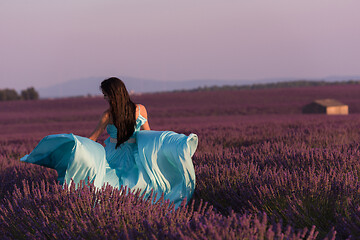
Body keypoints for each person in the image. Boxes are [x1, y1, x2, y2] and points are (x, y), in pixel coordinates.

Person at [21, 77, 198, 207]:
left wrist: (74, 146)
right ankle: (140, 210)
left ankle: (112, 210)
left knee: (110, 185)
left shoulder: (108, 115)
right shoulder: (140, 109)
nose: (105, 98)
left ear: (113, 95)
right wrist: (166, 146)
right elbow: (149, 134)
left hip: (113, 153)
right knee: (141, 183)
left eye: (106, 95)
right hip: (136, 152)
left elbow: (93, 138)